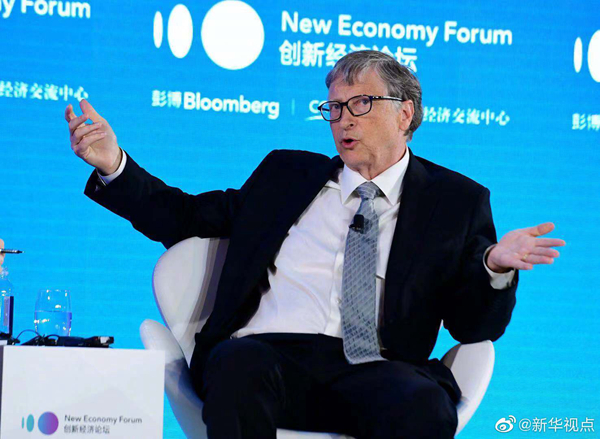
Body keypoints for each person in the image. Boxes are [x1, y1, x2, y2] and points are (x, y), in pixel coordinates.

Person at [65, 51, 565, 438]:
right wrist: (114, 166)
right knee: (238, 366)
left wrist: (493, 267)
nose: (344, 120)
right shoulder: (285, 175)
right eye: (334, 107)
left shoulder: (455, 201)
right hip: (269, 358)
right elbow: (184, 217)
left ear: (404, 114)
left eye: (361, 104)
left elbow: (474, 327)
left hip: (378, 368)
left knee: (425, 405)